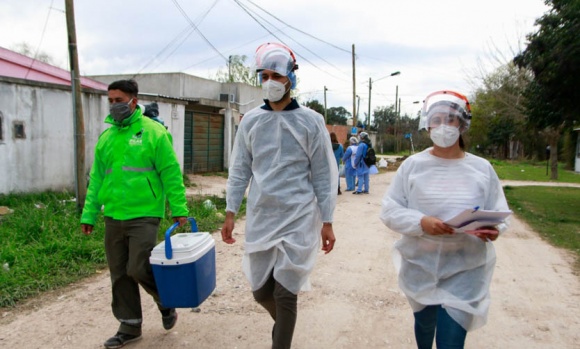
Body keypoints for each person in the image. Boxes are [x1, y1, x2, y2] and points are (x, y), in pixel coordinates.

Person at [221, 42, 337, 349]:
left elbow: (325, 174)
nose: (270, 82)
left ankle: (281, 341)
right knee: (261, 291)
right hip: (262, 214)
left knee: (286, 292)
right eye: (265, 75)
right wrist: (230, 212)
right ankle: (283, 327)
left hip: (299, 214)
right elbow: (240, 169)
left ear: (291, 78)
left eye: (277, 75)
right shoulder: (251, 121)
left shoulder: (310, 121)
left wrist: (327, 220)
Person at [379, 90, 510, 349]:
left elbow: (498, 212)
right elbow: (389, 210)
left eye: (449, 119)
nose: (442, 126)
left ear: (462, 124)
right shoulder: (412, 166)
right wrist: (421, 223)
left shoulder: (482, 169)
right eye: (436, 119)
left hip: (465, 270)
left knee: (451, 341)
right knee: (425, 328)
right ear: (427, 124)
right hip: (420, 266)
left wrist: (494, 229)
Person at [80, 79, 189, 349]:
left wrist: (179, 208)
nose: (115, 105)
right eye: (111, 101)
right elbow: (96, 180)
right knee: (119, 273)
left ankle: (166, 302)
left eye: (119, 100)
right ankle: (129, 326)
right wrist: (89, 214)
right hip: (113, 215)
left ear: (133, 101)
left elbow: (170, 172)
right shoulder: (106, 138)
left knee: (138, 267)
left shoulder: (153, 132)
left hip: (144, 214)